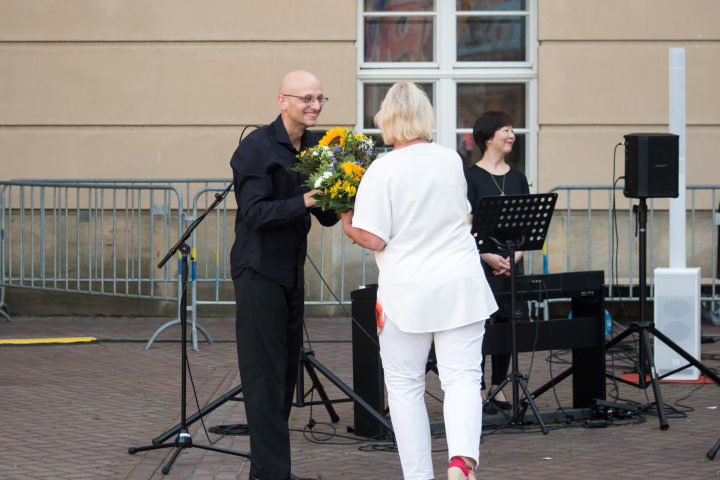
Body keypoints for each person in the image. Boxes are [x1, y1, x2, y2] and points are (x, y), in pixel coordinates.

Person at [340, 81, 498, 480]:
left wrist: (347, 223)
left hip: (407, 290)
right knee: (463, 378)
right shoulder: (450, 160)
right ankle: (462, 458)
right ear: (426, 117)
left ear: (386, 121)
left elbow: (375, 236)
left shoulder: (382, 169)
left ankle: (419, 475)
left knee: (405, 386)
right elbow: (464, 218)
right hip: (460, 283)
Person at [229, 70, 339, 480]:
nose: (315, 106)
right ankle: (272, 474)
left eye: (320, 99)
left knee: (285, 377)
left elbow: (325, 217)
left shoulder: (316, 146)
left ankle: (269, 472)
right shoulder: (255, 148)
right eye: (307, 98)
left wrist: (344, 192)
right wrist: (306, 197)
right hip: (258, 270)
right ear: (283, 101)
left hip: (291, 271)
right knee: (264, 379)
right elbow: (255, 213)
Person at [464, 111, 530, 412]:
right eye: (506, 129)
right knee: (479, 325)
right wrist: (489, 257)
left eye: (512, 130)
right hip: (479, 263)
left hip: (510, 263)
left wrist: (512, 258)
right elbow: (466, 225)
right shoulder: (470, 177)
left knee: (507, 323)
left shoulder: (518, 178)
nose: (512, 135)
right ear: (488, 137)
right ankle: (476, 387)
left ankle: (498, 384)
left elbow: (527, 226)